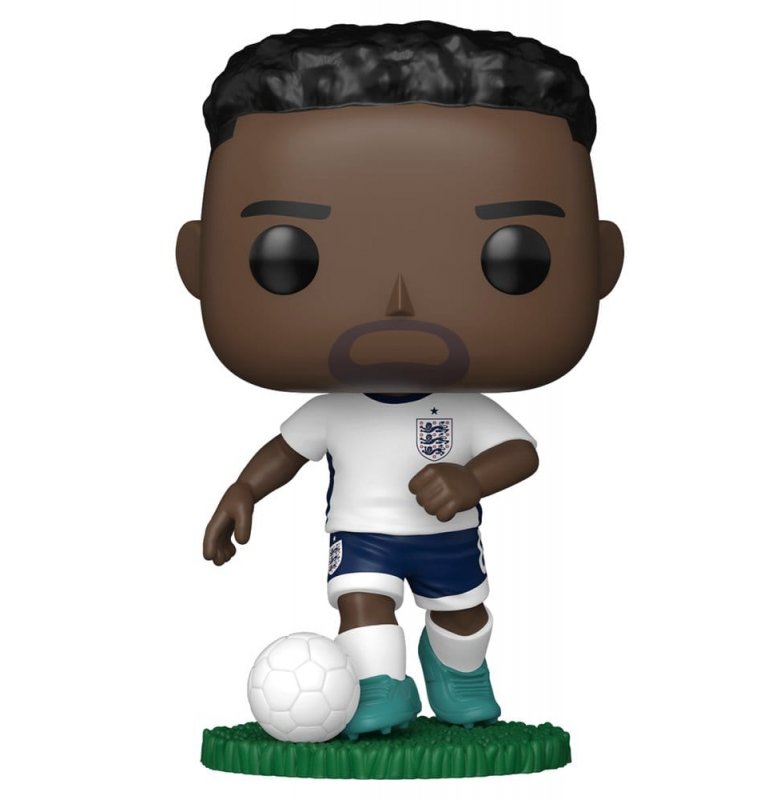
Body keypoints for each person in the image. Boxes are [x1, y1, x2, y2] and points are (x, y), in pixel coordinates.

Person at [176, 20, 624, 738]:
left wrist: (470, 480)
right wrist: (243, 490)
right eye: (287, 259)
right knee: (362, 603)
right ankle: (380, 687)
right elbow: (286, 452)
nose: (398, 302)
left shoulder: (465, 407)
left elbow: (521, 454)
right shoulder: (334, 410)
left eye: (514, 258)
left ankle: (457, 669)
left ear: (601, 264)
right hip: (364, 533)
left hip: (448, 534)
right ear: (197, 263)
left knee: (463, 615)